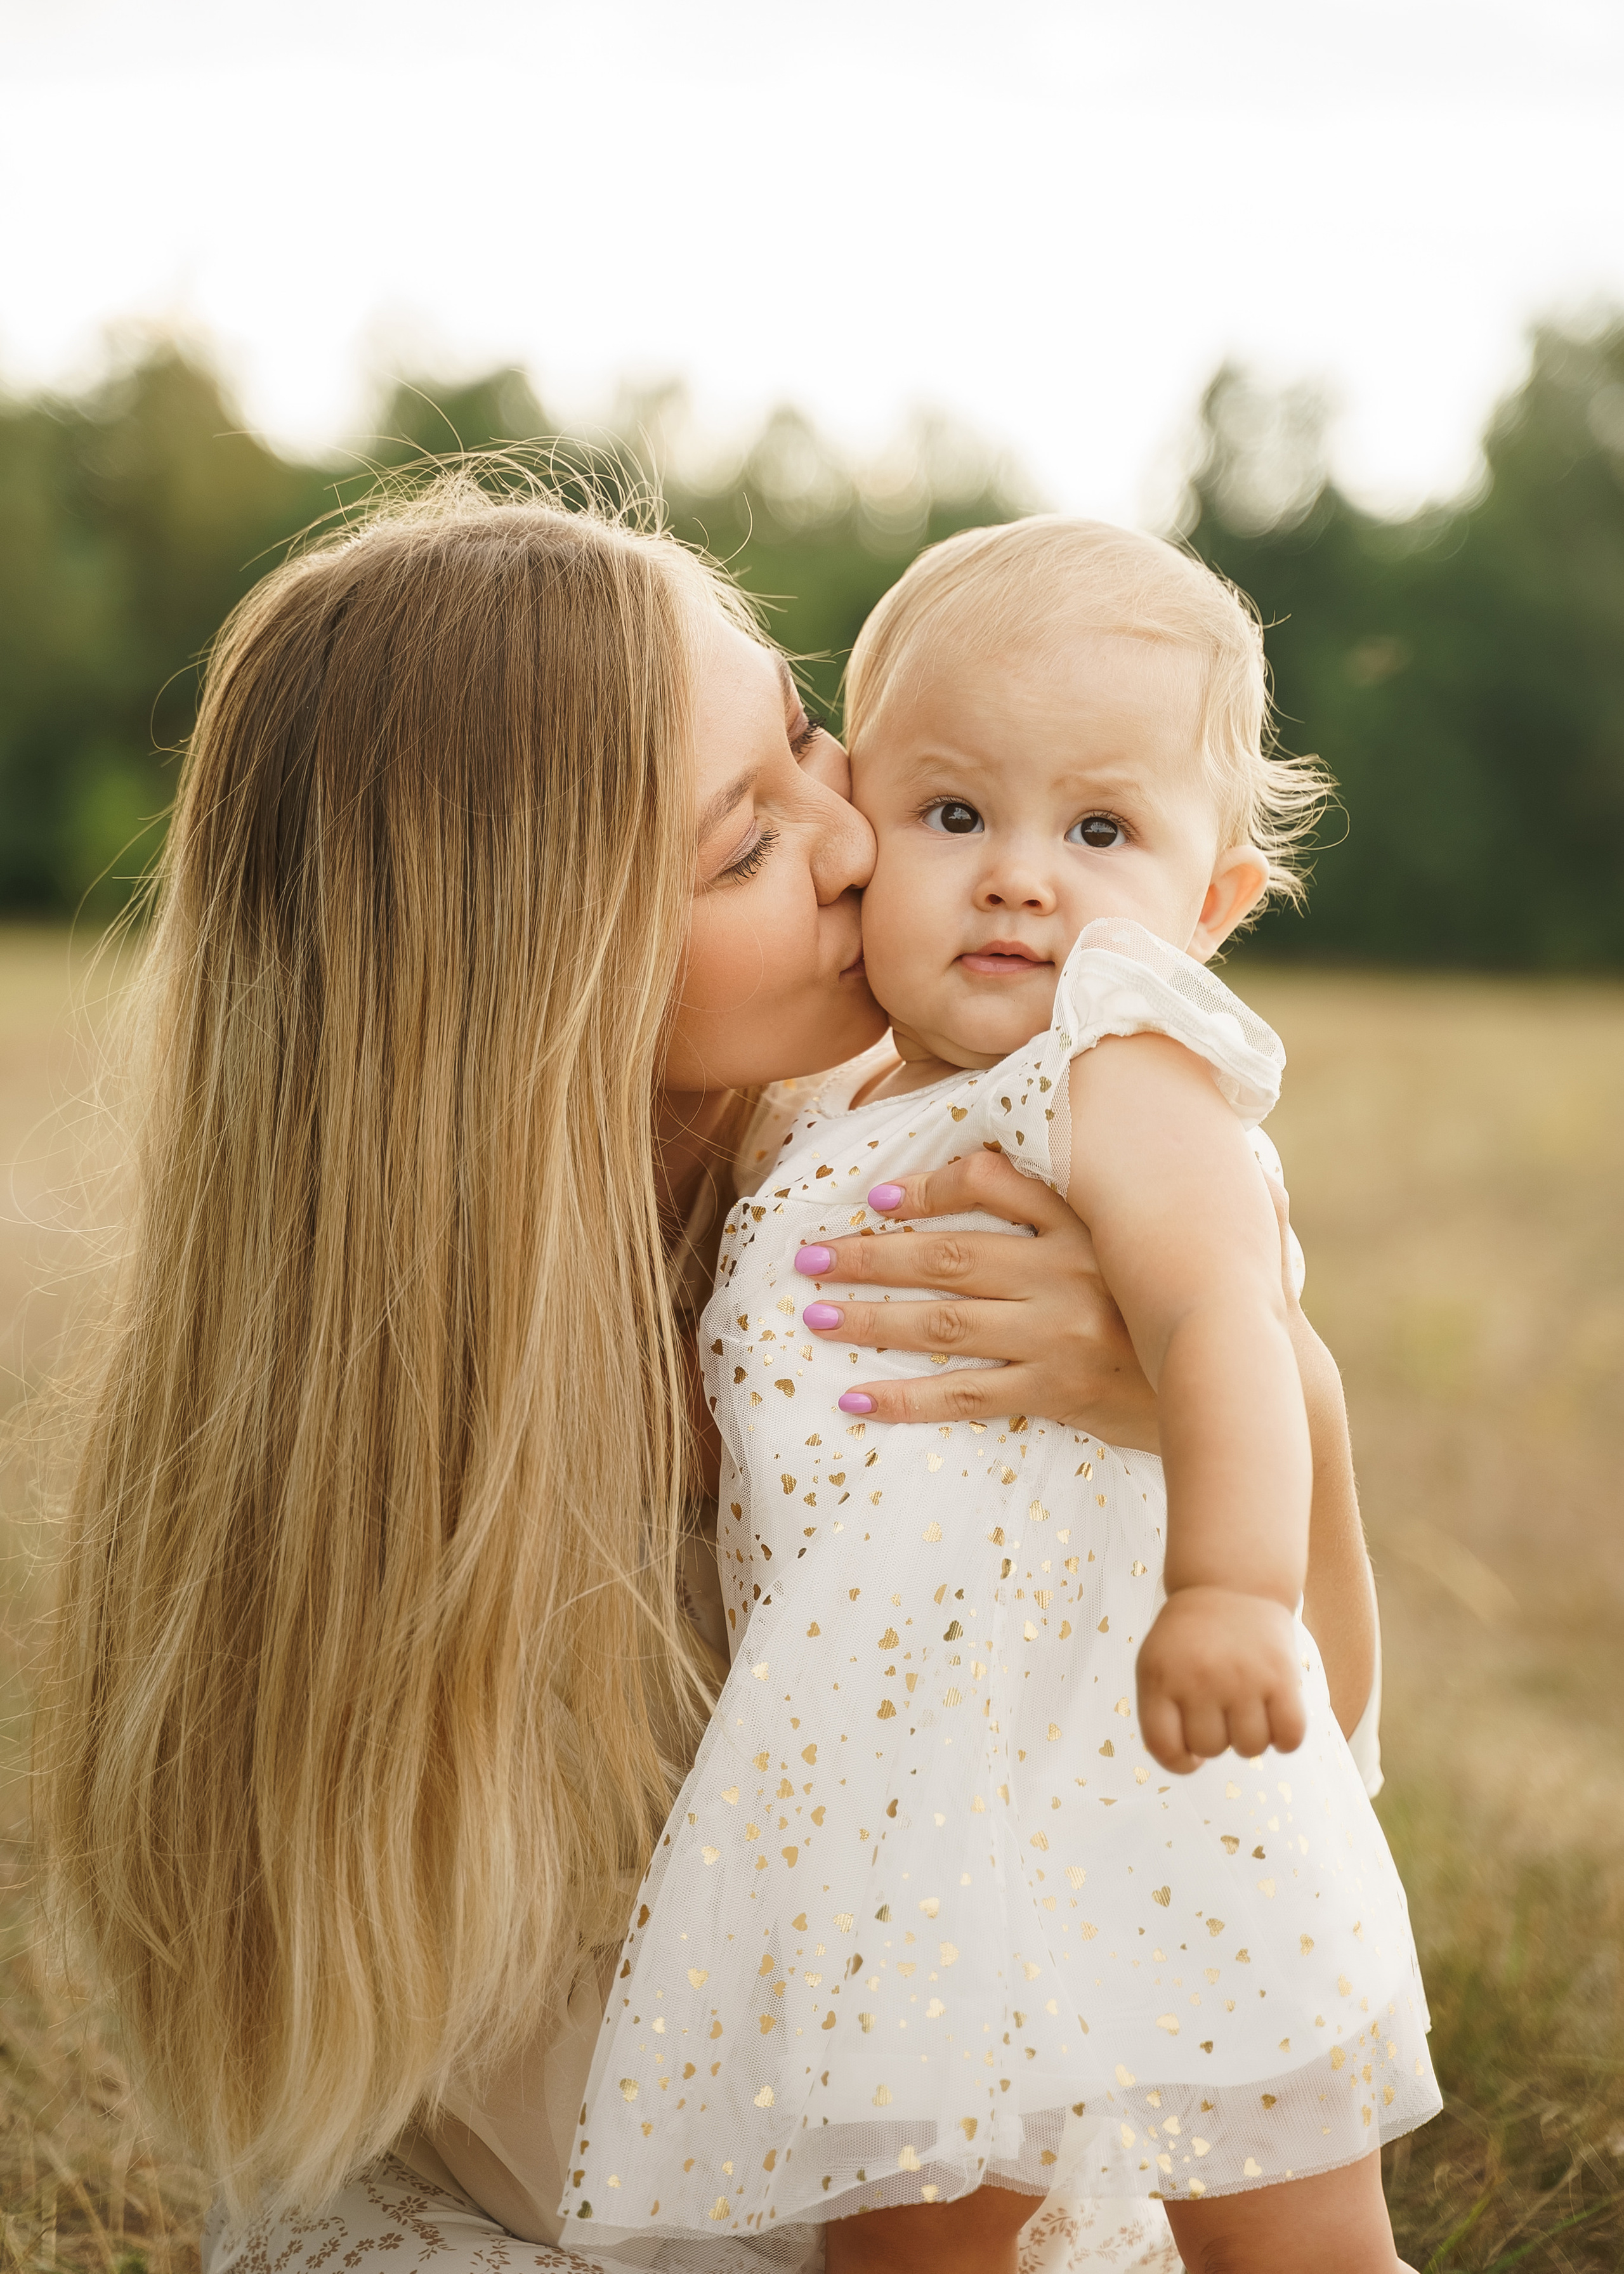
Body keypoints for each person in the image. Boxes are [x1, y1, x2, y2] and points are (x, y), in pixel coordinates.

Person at [37, 481, 1376, 2274]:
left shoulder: (915, 1182)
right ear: (530, 983)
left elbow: (1306, 1770)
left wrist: (1255, 1398)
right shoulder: (402, 1457)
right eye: (746, 846)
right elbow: (554, 2126)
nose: (854, 841)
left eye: (814, 747)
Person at [572, 518, 1435, 2273]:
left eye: (1100, 830)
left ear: (1208, 909)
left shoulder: (1118, 1067)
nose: (1024, 876)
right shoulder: (824, 1125)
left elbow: (1222, 1331)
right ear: (865, 818)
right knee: (906, 2234)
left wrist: (1230, 1591)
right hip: (889, 1812)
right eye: (956, 815)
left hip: (1140, 1762)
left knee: (1289, 2231)